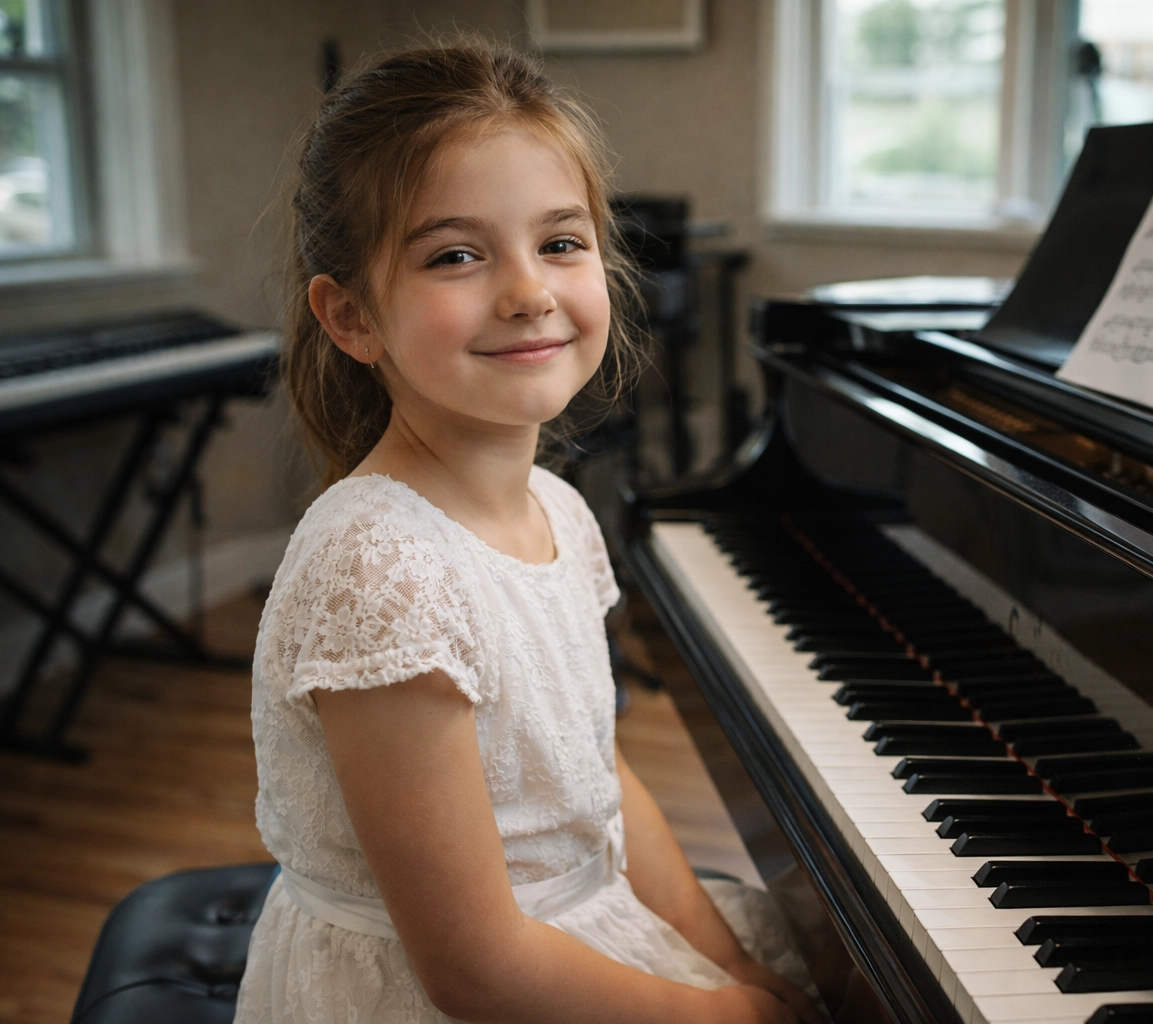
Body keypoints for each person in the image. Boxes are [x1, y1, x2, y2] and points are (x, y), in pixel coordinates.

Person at [236, 38, 816, 1024]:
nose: (528, 291)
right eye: (456, 254)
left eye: (560, 241)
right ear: (350, 317)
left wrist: (729, 971)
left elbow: (597, 777)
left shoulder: (562, 510)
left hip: (567, 929)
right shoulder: (381, 569)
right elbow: (477, 970)